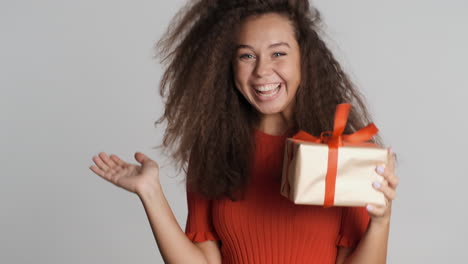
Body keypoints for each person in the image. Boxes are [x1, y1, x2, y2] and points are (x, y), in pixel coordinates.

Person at [89, 0, 399, 263]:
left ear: (305, 59)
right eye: (246, 55)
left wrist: (381, 221)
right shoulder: (212, 151)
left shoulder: (342, 152)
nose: (262, 70)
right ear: (228, 66)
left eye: (278, 53)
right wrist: (150, 193)